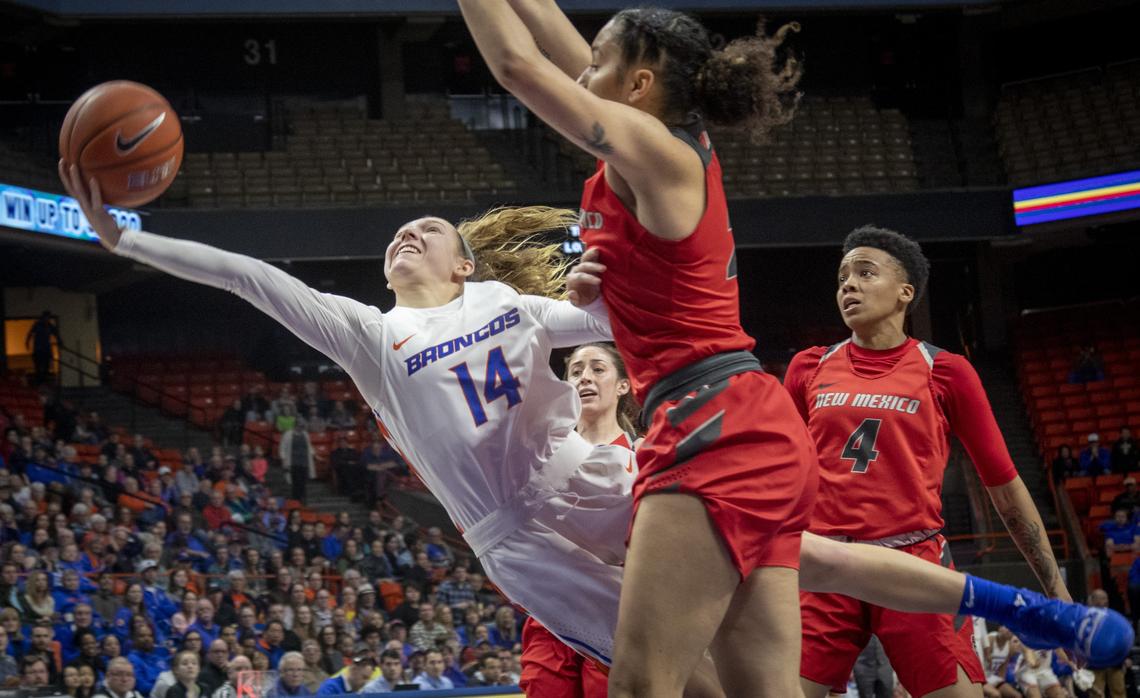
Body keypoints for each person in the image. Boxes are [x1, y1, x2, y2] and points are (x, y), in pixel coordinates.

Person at [60, 160, 1131, 694]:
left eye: (423, 229)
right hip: (513, 537)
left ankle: (1018, 604)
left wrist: (600, 270)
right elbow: (252, 279)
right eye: (396, 234)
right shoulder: (366, 334)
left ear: (463, 261)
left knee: (784, 552)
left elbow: (652, 315)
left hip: (587, 472)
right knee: (676, 675)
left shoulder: (516, 310)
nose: (406, 236)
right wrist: (133, 236)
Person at [458, 3, 819, 694]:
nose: (582, 70)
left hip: (714, 426)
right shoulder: (648, 143)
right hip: (745, 422)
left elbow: (516, 66)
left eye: (599, 60)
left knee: (640, 685)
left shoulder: (655, 152)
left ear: (639, 84)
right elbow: (543, 29)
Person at [784, 227, 1071, 696]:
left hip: (912, 562)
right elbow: (781, 470)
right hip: (826, 564)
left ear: (905, 292)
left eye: (864, 272)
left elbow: (1003, 485)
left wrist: (1055, 589)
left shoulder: (947, 371)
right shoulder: (807, 367)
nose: (848, 285)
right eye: (842, 278)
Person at [279, 426, 314, 505]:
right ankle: (296, 501)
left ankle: (303, 500)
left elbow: (309, 446)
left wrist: (313, 454)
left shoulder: (305, 434)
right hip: (293, 462)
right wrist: (283, 460)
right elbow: (283, 447)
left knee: (303, 483)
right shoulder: (288, 434)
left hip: (304, 462)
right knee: (296, 483)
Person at [982, 626, 1020, 698]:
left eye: (1011, 629)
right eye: (1006, 627)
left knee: (1016, 695)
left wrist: (1001, 684)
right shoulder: (991, 639)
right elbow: (986, 659)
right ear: (999, 628)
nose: (1009, 630)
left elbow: (1002, 669)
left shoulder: (1009, 646)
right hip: (981, 676)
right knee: (996, 694)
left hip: (991, 677)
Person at [25, 311, 60, 385]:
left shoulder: (50, 326)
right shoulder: (37, 325)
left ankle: (44, 380)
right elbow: (30, 333)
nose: (47, 319)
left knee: (46, 366)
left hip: (46, 349)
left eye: (48, 318)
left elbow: (56, 334)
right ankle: (40, 380)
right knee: (38, 366)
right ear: (43, 317)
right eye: (46, 318)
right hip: (38, 349)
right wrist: (27, 343)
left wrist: (60, 341)